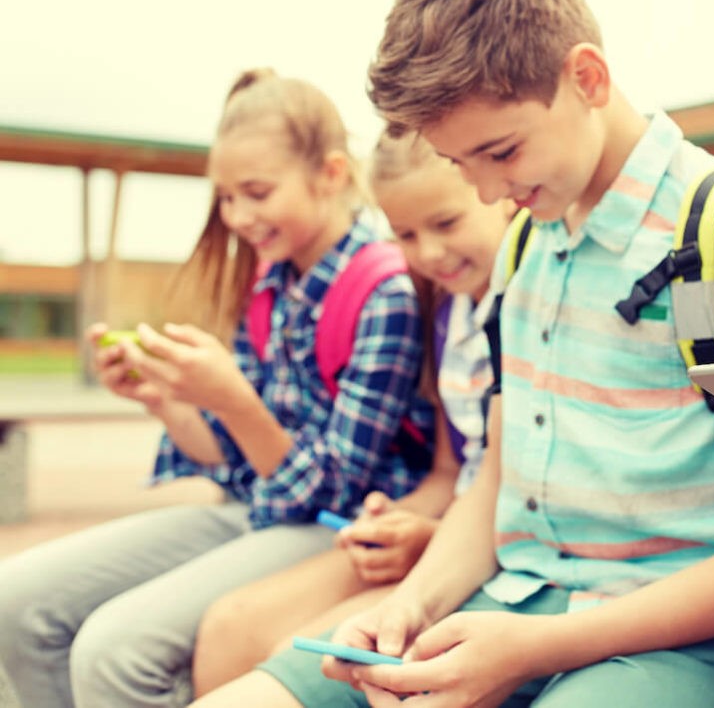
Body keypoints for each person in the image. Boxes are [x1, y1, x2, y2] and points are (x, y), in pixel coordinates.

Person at [293, 0, 714, 708]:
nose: (485, 193)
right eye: (459, 165)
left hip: (696, 643)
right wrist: (408, 609)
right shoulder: (525, 239)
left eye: (502, 151)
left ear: (586, 77)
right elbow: (498, 478)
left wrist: (532, 650)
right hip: (510, 605)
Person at [0, 68, 432, 708]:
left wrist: (232, 397)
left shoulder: (383, 292)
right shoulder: (267, 286)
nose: (238, 216)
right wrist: (165, 399)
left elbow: (333, 488)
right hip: (253, 509)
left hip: (338, 526)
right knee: (17, 603)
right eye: (227, 198)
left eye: (256, 192)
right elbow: (228, 458)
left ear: (331, 175)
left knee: (114, 651)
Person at [189, 126, 515, 699]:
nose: (427, 253)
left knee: (292, 651)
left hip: (492, 548)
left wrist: (431, 535)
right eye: (406, 235)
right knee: (229, 628)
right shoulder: (445, 311)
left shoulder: (519, 308)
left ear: (501, 192)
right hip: (444, 533)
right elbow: (448, 472)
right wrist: (397, 520)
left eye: (446, 223)